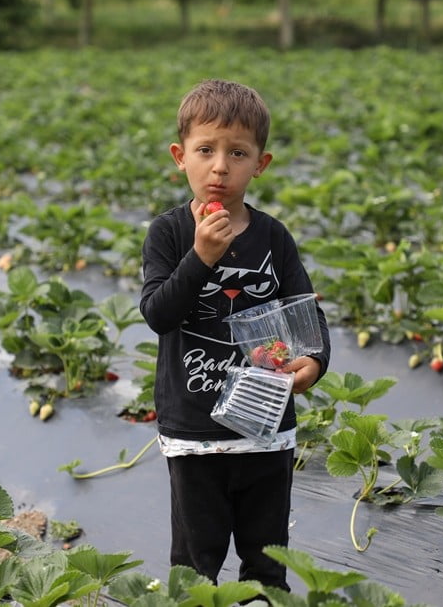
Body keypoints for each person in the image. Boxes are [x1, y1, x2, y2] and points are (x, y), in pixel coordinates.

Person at [140, 79, 331, 590]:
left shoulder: (273, 237)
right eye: (206, 150)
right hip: (194, 431)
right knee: (196, 561)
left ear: (259, 164)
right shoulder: (169, 234)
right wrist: (201, 256)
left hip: (266, 428)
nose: (220, 166)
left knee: (269, 561)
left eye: (238, 152)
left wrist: (312, 364)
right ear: (181, 157)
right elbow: (159, 314)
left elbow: (307, 315)